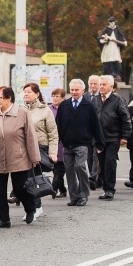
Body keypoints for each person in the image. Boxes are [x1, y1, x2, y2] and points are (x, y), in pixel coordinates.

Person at [0, 86, 41, 227]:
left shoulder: (22, 113)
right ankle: (4, 219)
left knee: (19, 188)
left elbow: (30, 136)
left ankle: (30, 208)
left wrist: (34, 158)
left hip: (19, 157)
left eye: (0, 97)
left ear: (9, 98)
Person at [56, 79, 104, 207]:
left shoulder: (88, 106)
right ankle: (74, 196)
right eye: (72, 90)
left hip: (82, 143)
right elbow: (58, 125)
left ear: (83, 91)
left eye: (77, 90)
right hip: (67, 144)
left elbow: (96, 125)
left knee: (79, 166)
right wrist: (57, 141)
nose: (74, 92)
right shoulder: (64, 105)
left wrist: (100, 143)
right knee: (69, 170)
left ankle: (84, 195)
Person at [92, 75, 132, 200]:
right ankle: (105, 188)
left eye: (104, 84)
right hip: (99, 138)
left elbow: (126, 118)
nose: (101, 87)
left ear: (111, 86)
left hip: (113, 137)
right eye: (100, 84)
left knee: (110, 162)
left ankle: (110, 189)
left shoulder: (117, 100)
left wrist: (125, 136)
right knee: (102, 164)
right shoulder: (95, 100)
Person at [22, 82, 58, 220]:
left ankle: (36, 207)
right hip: (23, 149)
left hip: (39, 148)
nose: (26, 94)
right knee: (25, 178)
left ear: (37, 94)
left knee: (34, 178)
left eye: (29, 91)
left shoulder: (45, 110)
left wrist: (53, 152)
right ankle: (32, 205)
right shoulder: (20, 110)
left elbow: (53, 133)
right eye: (24, 91)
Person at [49, 88, 67, 198]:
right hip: (52, 143)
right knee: (54, 168)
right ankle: (63, 189)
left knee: (60, 169)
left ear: (63, 98)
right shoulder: (49, 109)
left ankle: (53, 189)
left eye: (57, 96)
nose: (55, 98)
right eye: (53, 96)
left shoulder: (66, 108)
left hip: (62, 143)